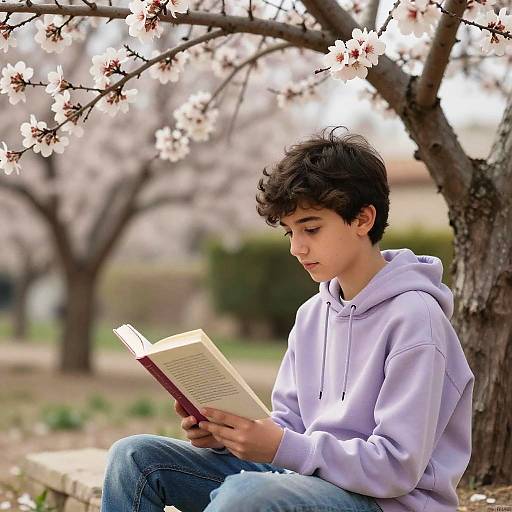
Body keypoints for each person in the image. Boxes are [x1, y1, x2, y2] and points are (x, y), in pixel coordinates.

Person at [101, 128, 474, 512]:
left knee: (245, 498)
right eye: (290, 233)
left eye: (311, 229)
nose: (297, 248)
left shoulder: (417, 319)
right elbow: (290, 425)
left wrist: (281, 446)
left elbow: (396, 468)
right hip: (306, 482)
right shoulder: (312, 315)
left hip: (387, 502)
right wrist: (228, 433)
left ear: (362, 220)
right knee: (134, 459)